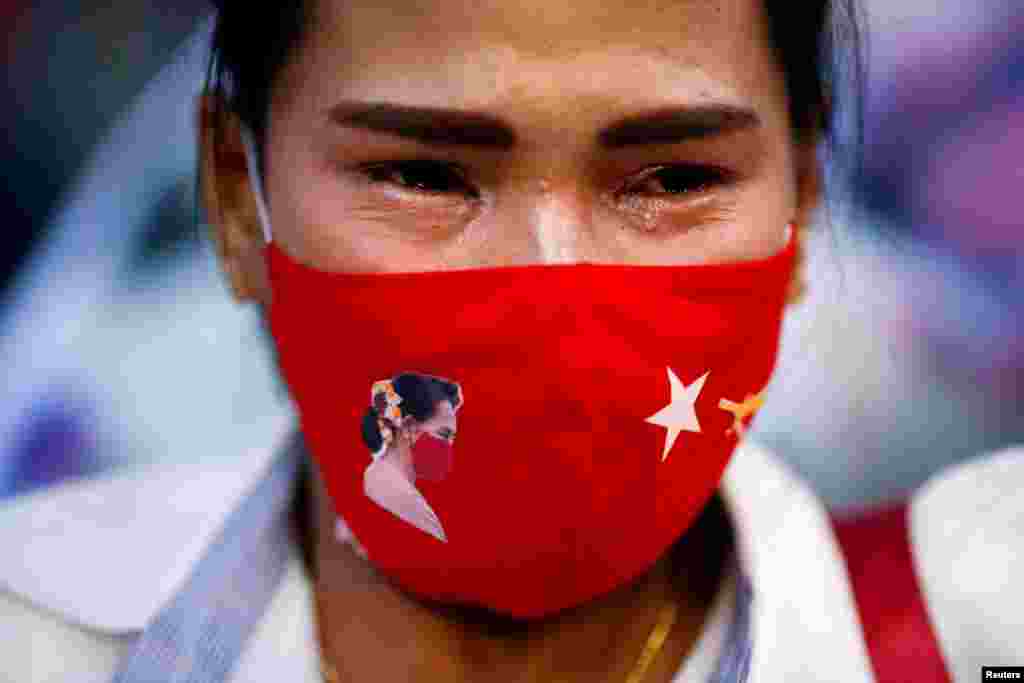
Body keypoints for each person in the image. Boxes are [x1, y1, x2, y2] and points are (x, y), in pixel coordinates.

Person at [1, 1, 1021, 683]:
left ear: (801, 198)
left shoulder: (975, 625)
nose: (551, 280)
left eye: (673, 179)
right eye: (424, 175)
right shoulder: (38, 633)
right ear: (234, 197)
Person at [359, 372, 463, 543]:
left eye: (452, 438)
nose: (448, 447)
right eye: (443, 434)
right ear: (409, 427)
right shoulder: (400, 499)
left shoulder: (382, 480)